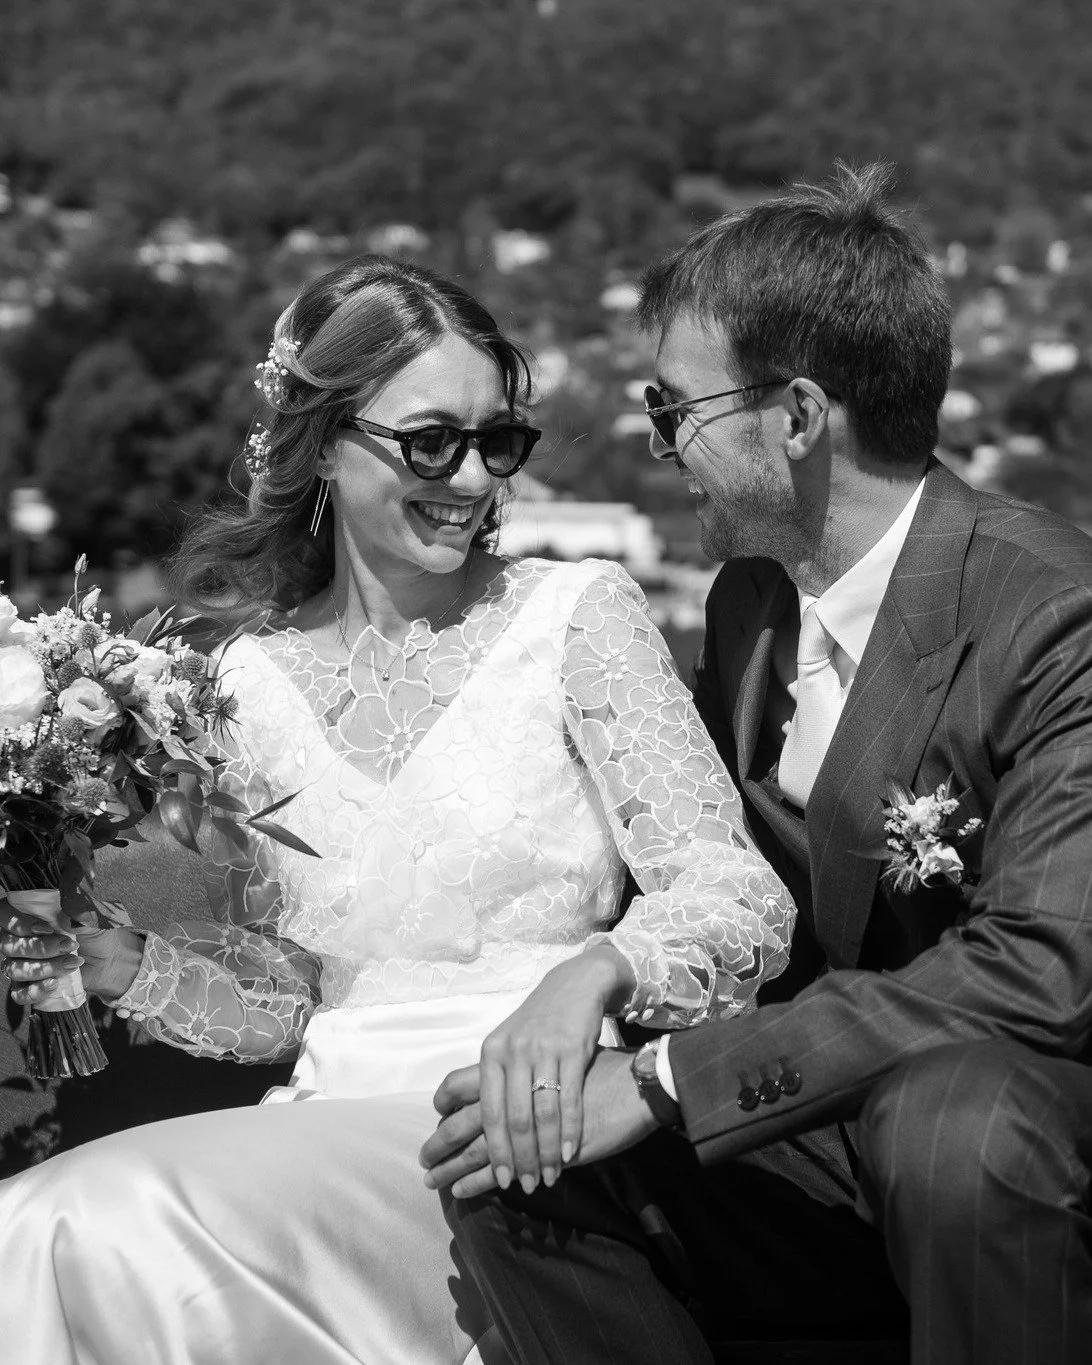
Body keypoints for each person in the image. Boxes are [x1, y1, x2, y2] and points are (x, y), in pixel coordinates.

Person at [0, 255, 796, 1365]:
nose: (472, 479)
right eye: (430, 441)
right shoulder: (244, 680)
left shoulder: (575, 615)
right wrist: (107, 963)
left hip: (524, 1130)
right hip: (328, 1120)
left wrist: (594, 976)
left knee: (86, 1219)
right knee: (35, 1228)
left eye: (495, 441)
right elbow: (290, 997)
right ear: (325, 442)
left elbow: (734, 895)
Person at [423, 164, 1092, 1364]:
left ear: (794, 418)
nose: (660, 439)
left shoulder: (1054, 614)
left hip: (1019, 1118)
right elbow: (697, 859)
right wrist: (600, 976)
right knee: (516, 1150)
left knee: (954, 1125)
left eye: (675, 406)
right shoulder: (748, 602)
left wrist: (677, 1080)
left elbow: (1041, 972)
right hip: (830, 1110)